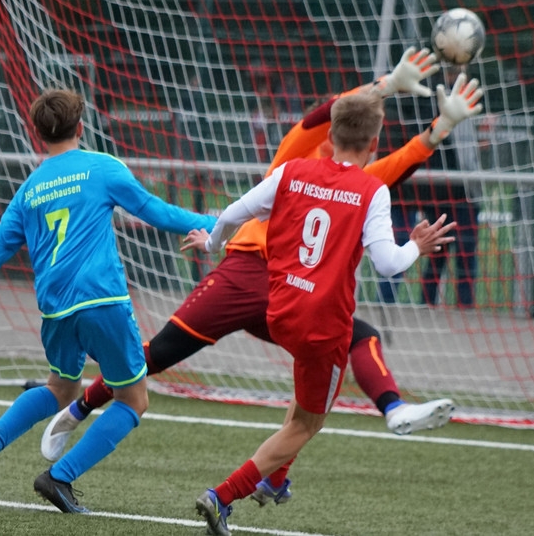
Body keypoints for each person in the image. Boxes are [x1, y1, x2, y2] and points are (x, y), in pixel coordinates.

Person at [39, 49, 483, 469]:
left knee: (350, 342)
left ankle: (382, 415)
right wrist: (385, 86)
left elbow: (398, 162)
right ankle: (76, 411)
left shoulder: (356, 180)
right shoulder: (296, 156)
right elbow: (325, 115)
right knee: (163, 352)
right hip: (250, 272)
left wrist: (440, 125)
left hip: (286, 290)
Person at [188, 90, 457, 536]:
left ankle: (275, 481)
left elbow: (234, 212)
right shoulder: (371, 189)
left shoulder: (292, 171)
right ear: (375, 144)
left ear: (329, 136)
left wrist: (213, 245)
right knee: (307, 423)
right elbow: (388, 264)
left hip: (281, 310)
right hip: (323, 324)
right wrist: (416, 245)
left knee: (307, 393)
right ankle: (222, 495)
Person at [0, 88, 217, 513]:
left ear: (38, 134)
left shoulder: (29, 190)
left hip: (55, 311)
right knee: (133, 399)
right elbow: (157, 212)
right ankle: (59, 476)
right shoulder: (101, 167)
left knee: (61, 388)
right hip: (102, 302)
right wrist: (221, 223)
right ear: (80, 127)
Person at [381, 62, 483, 308]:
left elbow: (466, 152)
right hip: (417, 189)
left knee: (453, 250)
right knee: (410, 248)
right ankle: (398, 303)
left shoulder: (455, 101)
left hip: (448, 190)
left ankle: (454, 306)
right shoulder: (420, 102)